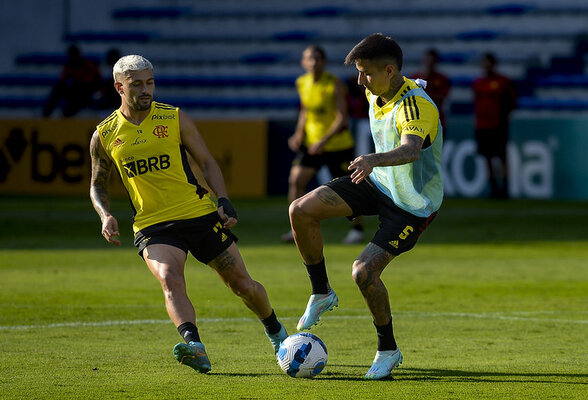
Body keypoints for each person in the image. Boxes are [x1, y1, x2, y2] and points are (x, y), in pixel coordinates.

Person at [89, 55, 288, 374]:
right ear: (119, 87)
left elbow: (207, 161)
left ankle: (277, 332)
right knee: (170, 279)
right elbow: (97, 183)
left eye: (150, 82)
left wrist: (223, 198)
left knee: (242, 285)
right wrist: (104, 215)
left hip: (198, 214)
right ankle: (194, 346)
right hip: (152, 224)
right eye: (137, 84)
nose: (145, 90)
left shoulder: (174, 118)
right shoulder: (105, 133)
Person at [288, 34, 443, 380]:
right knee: (299, 209)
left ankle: (388, 350)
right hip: (378, 185)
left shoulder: (417, 106)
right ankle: (321, 292)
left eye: (366, 73)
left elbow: (411, 149)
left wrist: (372, 159)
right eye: (358, 72)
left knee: (363, 272)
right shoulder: (377, 89)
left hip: (412, 205)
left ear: (390, 71)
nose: (360, 81)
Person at [282, 45, 365, 245]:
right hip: (312, 145)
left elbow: (342, 118)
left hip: (337, 145)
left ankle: (357, 229)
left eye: (318, 58)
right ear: (303, 62)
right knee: (296, 180)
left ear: (324, 62)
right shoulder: (301, 83)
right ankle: (297, 228)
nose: (314, 62)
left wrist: (324, 140)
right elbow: (305, 112)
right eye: (310, 58)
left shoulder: (334, 84)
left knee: (351, 187)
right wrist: (298, 133)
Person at [472, 52, 517, 198]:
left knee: (501, 157)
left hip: (498, 125)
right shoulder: (478, 83)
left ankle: (505, 187)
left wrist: (504, 118)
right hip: (482, 125)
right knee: (487, 157)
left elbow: (512, 102)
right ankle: (493, 187)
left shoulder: (503, 82)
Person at [43, 45, 101, 117]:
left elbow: (95, 82)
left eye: (75, 55)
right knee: (58, 89)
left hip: (87, 93)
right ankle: (46, 115)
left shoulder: (89, 65)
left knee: (72, 106)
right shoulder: (68, 66)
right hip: (75, 93)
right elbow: (62, 81)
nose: (74, 58)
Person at [410, 49, 451, 131]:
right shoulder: (414, 78)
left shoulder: (442, 79)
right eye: (427, 60)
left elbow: (442, 97)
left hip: (436, 120)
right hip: (418, 121)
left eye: (432, 60)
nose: (429, 63)